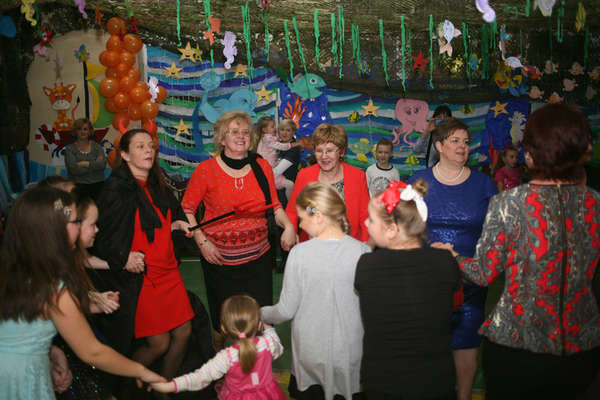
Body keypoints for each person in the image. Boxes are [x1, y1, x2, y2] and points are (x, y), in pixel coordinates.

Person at [434, 103, 600, 400]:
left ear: (531, 153)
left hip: (517, 344)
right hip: (582, 347)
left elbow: (482, 274)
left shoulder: (510, 203)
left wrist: (453, 256)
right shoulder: (594, 203)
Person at [0, 186, 165, 400]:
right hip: (18, 379)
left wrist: (50, 352)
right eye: (76, 221)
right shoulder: (53, 287)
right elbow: (91, 351)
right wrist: (141, 371)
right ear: (54, 230)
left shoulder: (19, 268)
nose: (85, 227)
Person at [90, 128, 195, 390]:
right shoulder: (115, 190)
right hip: (143, 276)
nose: (149, 150)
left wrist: (178, 224)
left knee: (184, 333)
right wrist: (123, 257)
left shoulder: (158, 185)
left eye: (150, 146)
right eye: (140, 146)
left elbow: (171, 216)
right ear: (124, 155)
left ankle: (162, 390)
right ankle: (125, 390)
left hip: (169, 271)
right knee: (159, 343)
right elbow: (100, 238)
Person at [181, 110, 296, 334]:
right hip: (219, 261)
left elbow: (275, 205)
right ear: (222, 139)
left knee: (259, 320)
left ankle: (259, 356)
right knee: (224, 324)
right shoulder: (206, 170)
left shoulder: (261, 166)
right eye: (234, 132)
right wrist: (202, 242)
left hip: (259, 260)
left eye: (245, 132)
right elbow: (187, 209)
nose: (241, 136)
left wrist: (289, 226)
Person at [408, 117, 497, 400]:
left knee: (467, 346)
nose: (462, 146)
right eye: (455, 140)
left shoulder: (484, 184)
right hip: (427, 283)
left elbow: (495, 233)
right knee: (427, 349)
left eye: (466, 142)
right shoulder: (418, 181)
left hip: (470, 282)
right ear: (439, 145)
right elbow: (404, 228)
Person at [262, 182, 371, 400]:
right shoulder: (363, 251)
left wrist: (261, 313)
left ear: (318, 216)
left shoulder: (300, 254)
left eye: (302, 218)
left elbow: (286, 310)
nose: (301, 225)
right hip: (350, 353)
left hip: (311, 355)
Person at [355, 180, 460, 400]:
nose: (365, 222)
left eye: (371, 219)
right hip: (435, 381)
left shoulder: (367, 264)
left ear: (392, 230)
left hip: (382, 381)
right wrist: (446, 259)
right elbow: (454, 303)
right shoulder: (444, 262)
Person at [151, 295, 286, 399]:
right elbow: (278, 348)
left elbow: (201, 377)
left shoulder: (226, 357)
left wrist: (170, 386)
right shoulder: (268, 343)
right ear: (259, 325)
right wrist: (268, 329)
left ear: (224, 329)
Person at [286, 123, 370, 242]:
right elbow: (292, 212)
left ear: (341, 152)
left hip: (348, 245)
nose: (324, 156)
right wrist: (290, 230)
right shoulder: (304, 175)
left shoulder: (358, 177)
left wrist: (365, 247)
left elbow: (366, 217)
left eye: (329, 150)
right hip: (312, 245)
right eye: (319, 151)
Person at [64, 118, 106, 200]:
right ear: (75, 131)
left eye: (85, 129)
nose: (82, 132)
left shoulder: (97, 147)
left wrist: (85, 163)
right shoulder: (70, 149)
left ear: (90, 131)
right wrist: (94, 164)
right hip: (77, 187)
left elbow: (102, 165)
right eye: (79, 129)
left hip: (98, 186)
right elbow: (74, 169)